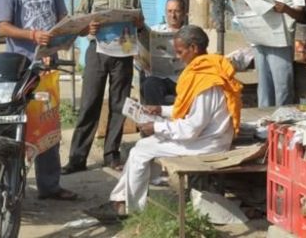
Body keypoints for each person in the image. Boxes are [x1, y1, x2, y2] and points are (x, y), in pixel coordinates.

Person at [85, 25, 243, 220]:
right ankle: (122, 201)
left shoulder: (206, 80)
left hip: (208, 144)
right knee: (142, 148)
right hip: (205, 137)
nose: (177, 57)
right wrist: (161, 110)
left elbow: (191, 128)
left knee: (142, 149)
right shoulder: (205, 70)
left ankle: (127, 206)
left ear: (193, 48)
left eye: (180, 51)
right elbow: (188, 111)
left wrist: (157, 127)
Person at [0, 0, 77, 201]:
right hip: (19, 69)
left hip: (47, 68)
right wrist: (31, 35)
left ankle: (49, 186)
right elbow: (3, 27)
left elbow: (63, 19)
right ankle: (9, 186)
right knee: (15, 127)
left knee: (48, 127)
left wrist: (79, 29)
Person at [62, 0, 144, 174]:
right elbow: (78, 18)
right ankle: (77, 159)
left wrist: (138, 22)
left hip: (124, 52)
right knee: (89, 103)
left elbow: (140, 19)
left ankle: (111, 155)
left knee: (120, 105)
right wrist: (89, 25)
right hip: (97, 51)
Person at [254, 0, 305, 107]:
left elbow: (301, 14)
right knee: (264, 85)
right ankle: (263, 123)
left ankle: (282, 120)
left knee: (282, 86)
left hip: (281, 40)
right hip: (261, 38)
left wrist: (285, 9)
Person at [141, 0, 186, 106]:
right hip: (159, 77)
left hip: (182, 79)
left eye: (177, 11)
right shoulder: (155, 31)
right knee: (149, 84)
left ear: (184, 13)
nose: (173, 15)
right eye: (169, 11)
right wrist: (144, 63)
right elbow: (143, 51)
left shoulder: (191, 32)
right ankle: (156, 120)